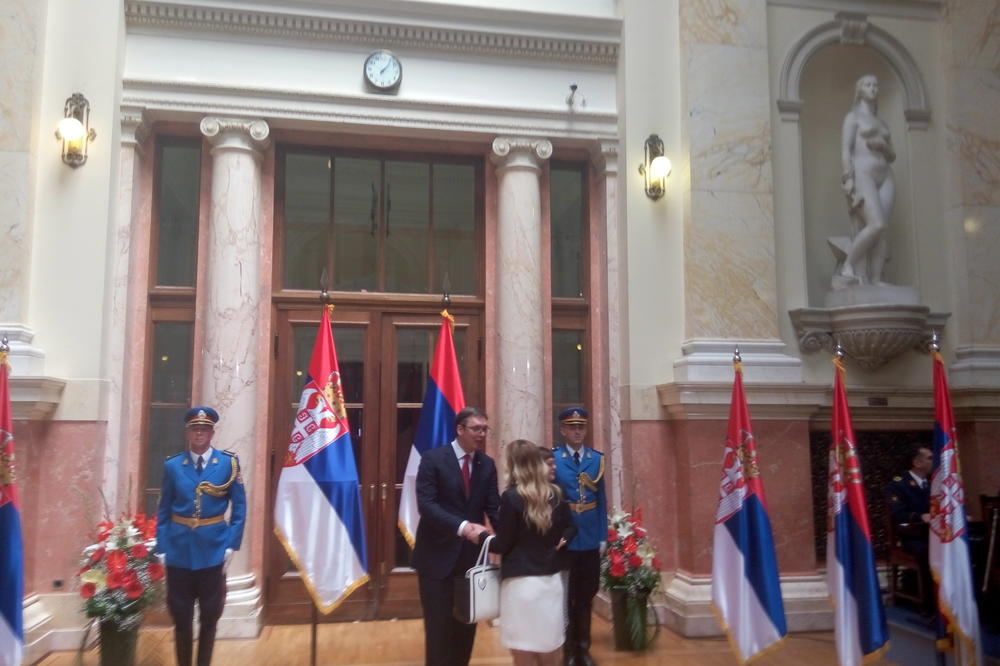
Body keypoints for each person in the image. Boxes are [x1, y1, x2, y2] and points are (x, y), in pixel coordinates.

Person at [156, 407, 246, 666]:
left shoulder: (227, 463)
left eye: (204, 429)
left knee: (210, 617)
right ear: (188, 432)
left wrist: (231, 544)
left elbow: (239, 508)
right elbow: (163, 509)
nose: (199, 433)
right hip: (178, 551)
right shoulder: (173, 465)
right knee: (181, 617)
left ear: (212, 432)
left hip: (213, 550)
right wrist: (162, 547)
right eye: (195, 428)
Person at [474, 440, 576, 666]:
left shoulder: (512, 497)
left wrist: (480, 536)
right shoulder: (555, 494)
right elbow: (570, 527)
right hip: (550, 582)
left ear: (514, 465)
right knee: (550, 650)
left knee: (523, 653)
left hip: (521, 586)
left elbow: (502, 545)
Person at [411, 406, 500, 666]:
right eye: (476, 429)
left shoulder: (487, 465)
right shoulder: (433, 459)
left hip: (470, 565)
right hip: (435, 561)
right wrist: (463, 527)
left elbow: (493, 508)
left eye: (485, 429)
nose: (482, 435)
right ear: (460, 429)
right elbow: (426, 506)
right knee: (438, 633)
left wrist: (509, 538)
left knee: (465, 629)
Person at [552, 407, 606, 666]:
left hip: (590, 537)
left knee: (586, 595)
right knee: (566, 597)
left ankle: (583, 649)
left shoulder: (597, 459)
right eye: (571, 427)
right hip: (566, 538)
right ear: (562, 430)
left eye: (581, 427)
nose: (577, 431)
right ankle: (568, 650)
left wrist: (603, 536)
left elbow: (603, 500)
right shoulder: (555, 458)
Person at [839, 74, 896, 286]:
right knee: (877, 224)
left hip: (886, 175)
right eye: (868, 84)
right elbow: (845, 149)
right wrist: (848, 178)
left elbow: (892, 156)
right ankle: (848, 264)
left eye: (876, 84)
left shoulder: (881, 122)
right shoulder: (852, 118)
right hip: (863, 173)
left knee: (884, 230)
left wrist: (883, 146)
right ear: (860, 90)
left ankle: (876, 278)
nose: (873, 88)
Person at [887, 444, 932, 610]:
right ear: (917, 463)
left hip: (937, 533)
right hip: (914, 535)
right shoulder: (899, 484)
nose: (933, 461)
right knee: (927, 551)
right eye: (929, 458)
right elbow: (898, 512)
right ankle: (930, 603)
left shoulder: (936, 481)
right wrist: (920, 516)